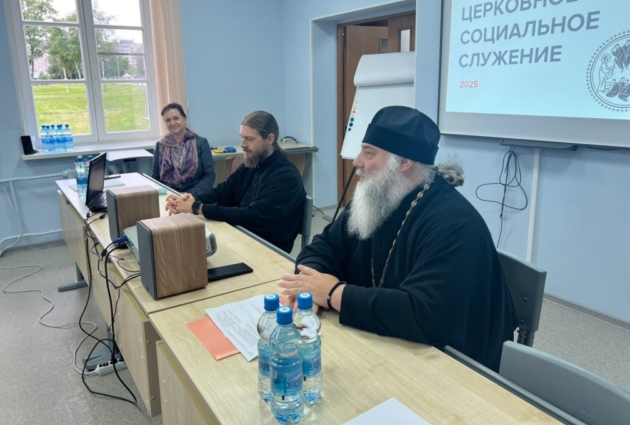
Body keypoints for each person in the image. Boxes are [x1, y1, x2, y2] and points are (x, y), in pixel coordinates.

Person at [279, 106, 518, 371]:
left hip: (452, 364)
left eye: (369, 153)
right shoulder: (376, 199)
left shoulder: (455, 225)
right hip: (388, 341)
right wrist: (310, 288)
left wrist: (334, 293)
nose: (356, 161)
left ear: (404, 162)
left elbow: (425, 314)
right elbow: (324, 247)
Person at [166, 110, 306, 253]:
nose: (242, 144)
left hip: (266, 250)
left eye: (249, 139)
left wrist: (198, 208)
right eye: (242, 138)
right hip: (242, 235)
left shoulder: (286, 177)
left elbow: (252, 216)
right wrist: (191, 198)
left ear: (270, 139)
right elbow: (223, 192)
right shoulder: (252, 163)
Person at [151, 103, 215, 196]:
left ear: (185, 119)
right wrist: (165, 194)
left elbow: (209, 176)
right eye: (168, 120)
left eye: (176, 118)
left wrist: (187, 195)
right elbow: (155, 177)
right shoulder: (160, 145)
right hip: (169, 196)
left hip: (195, 195)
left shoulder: (200, 142)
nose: (172, 123)